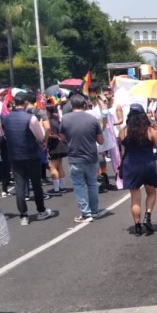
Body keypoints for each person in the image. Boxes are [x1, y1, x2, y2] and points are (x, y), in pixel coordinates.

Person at [1, 92, 54, 226]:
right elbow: (40, 136)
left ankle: (23, 215)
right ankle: (41, 210)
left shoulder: (6, 118)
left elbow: (4, 135)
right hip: (31, 154)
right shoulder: (31, 118)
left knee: (20, 185)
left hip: (15, 155)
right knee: (36, 184)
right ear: (25, 103)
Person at [61, 94, 105, 223]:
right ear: (85, 105)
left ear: (71, 105)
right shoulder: (92, 119)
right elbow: (101, 141)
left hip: (75, 156)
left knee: (79, 186)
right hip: (91, 156)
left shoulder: (65, 119)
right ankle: (94, 210)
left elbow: (62, 137)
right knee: (92, 184)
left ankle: (86, 213)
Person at [119, 104, 157, 235]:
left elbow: (122, 145)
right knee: (151, 192)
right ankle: (147, 216)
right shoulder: (149, 130)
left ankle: (137, 226)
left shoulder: (124, 130)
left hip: (130, 164)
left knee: (135, 198)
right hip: (147, 163)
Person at [45, 104, 68, 197]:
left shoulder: (50, 122)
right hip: (61, 146)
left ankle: (56, 189)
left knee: (52, 167)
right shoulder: (56, 120)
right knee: (59, 166)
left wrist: (47, 135)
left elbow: (54, 135)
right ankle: (61, 187)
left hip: (55, 146)